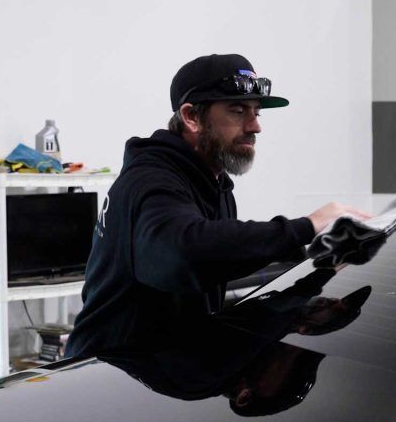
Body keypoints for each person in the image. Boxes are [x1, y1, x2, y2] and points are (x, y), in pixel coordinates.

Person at [66, 53, 371, 358]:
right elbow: (186, 254)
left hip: (155, 367)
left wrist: (305, 283)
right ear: (192, 117)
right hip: (106, 373)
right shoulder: (151, 181)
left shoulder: (214, 184)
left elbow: (210, 270)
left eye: (256, 112)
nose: (255, 127)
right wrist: (307, 226)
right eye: (238, 111)